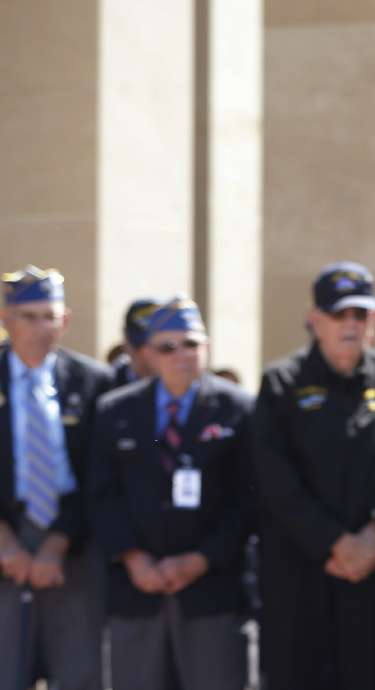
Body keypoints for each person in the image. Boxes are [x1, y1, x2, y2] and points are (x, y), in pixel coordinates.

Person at [253, 261, 375, 690]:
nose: (350, 325)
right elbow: (275, 481)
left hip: (370, 574)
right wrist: (334, 543)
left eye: (361, 314)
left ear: (374, 320)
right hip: (300, 574)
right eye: (339, 314)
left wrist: (374, 534)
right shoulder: (282, 383)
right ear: (314, 320)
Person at [91, 297, 253, 690]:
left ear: (207, 347)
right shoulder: (117, 412)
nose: (182, 355)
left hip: (212, 591)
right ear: (148, 353)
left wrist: (201, 559)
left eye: (192, 344)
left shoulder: (239, 409)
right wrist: (133, 558)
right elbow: (102, 494)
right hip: (137, 591)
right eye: (168, 346)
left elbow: (249, 498)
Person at [0, 265, 113, 690]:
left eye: (50, 316)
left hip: (72, 547)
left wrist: (58, 541)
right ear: (5, 319)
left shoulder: (94, 382)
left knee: (79, 671)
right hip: (6, 543)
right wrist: (5, 541)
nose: (40, 327)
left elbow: (101, 474)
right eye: (28, 316)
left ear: (65, 320)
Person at [110, 298, 159, 386]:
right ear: (126, 340)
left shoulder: (187, 389)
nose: (145, 354)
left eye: (156, 347)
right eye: (138, 346)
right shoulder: (104, 386)